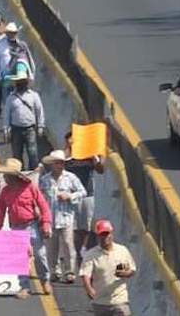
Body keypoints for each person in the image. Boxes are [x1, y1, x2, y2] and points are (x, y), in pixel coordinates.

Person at [0, 157, 53, 297]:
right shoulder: (5, 191)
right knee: (20, 259)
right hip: (16, 227)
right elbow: (1, 211)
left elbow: (44, 206)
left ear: (14, 176)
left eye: (6, 175)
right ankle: (24, 287)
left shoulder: (30, 187)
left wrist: (46, 223)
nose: (4, 177)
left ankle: (45, 280)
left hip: (32, 224)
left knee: (40, 255)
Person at [39, 149, 87, 284]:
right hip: (50, 218)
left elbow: (82, 192)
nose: (59, 166)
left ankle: (70, 271)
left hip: (66, 217)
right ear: (52, 164)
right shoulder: (45, 180)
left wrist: (70, 196)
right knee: (51, 246)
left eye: (61, 163)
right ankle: (54, 271)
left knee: (67, 244)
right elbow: (40, 196)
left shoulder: (71, 178)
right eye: (56, 163)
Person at [65, 131, 105, 263]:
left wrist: (95, 158)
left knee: (87, 227)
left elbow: (100, 170)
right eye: (69, 141)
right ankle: (78, 253)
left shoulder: (88, 156)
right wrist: (68, 152)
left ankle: (84, 249)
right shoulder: (66, 157)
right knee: (76, 228)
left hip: (88, 194)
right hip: (72, 196)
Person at [80, 220, 136, 316]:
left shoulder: (121, 251)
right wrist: (89, 289)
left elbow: (131, 270)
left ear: (111, 234)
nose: (105, 237)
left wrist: (125, 273)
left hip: (120, 300)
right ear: (98, 236)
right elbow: (85, 274)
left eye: (107, 234)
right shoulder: (91, 254)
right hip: (100, 302)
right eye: (102, 234)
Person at [3, 71, 45, 169]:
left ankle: (33, 173)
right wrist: (6, 129)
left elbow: (39, 111)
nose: (21, 83)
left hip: (30, 129)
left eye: (23, 81)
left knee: (33, 153)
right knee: (17, 154)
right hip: (16, 129)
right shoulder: (11, 98)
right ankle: (20, 173)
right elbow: (7, 114)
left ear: (26, 82)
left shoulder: (34, 95)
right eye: (19, 82)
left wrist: (40, 126)